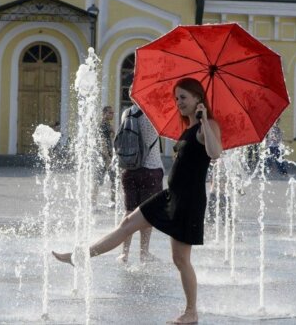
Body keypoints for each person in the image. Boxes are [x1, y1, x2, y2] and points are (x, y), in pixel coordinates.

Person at [53, 77, 222, 324]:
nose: (178, 103)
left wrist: (204, 119)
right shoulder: (187, 128)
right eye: (177, 98)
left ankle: (191, 312)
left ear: (198, 98)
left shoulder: (209, 126)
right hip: (169, 196)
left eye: (183, 97)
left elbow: (215, 153)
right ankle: (81, 257)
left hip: (189, 201)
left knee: (181, 259)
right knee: (127, 224)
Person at [117, 100, 164, 264]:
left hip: (130, 169)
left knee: (129, 211)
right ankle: (144, 252)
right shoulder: (154, 114)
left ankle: (124, 253)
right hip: (151, 169)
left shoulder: (127, 113)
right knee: (147, 213)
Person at [92, 105, 115, 208]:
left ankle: (112, 201)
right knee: (97, 180)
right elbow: (102, 142)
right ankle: (93, 204)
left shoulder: (107, 124)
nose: (112, 114)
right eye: (110, 113)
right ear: (104, 113)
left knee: (114, 179)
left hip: (108, 156)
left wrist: (112, 131)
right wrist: (107, 157)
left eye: (113, 113)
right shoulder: (102, 125)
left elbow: (110, 139)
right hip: (103, 157)